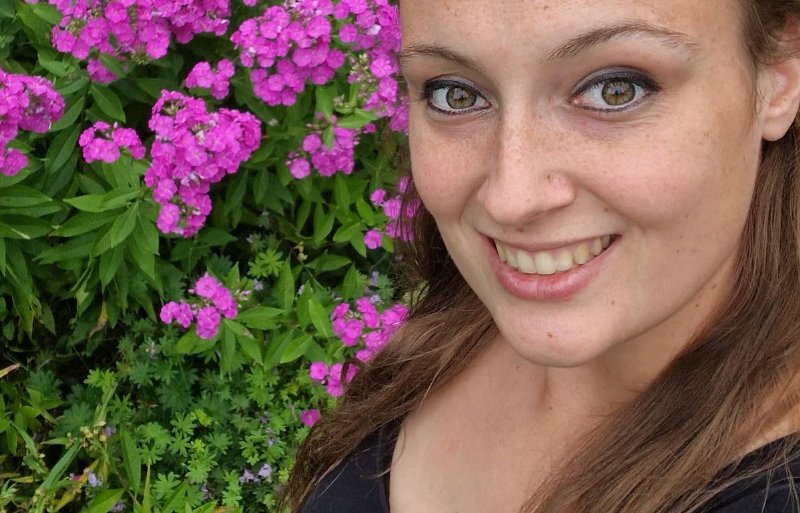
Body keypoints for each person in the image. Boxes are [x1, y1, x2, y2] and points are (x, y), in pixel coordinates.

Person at [280, 0, 800, 512]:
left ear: (780, 74)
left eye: (615, 89)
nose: (510, 200)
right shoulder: (457, 327)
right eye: (456, 94)